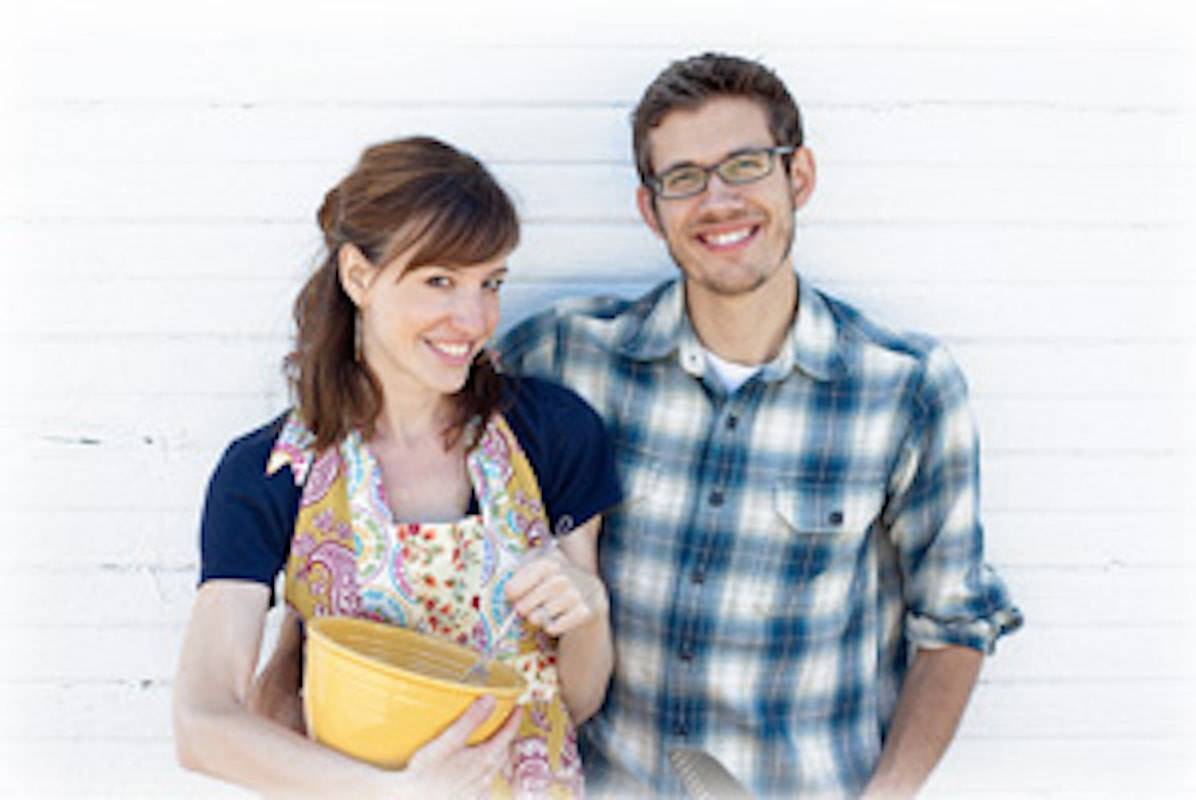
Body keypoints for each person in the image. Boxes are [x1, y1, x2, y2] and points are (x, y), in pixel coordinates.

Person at [498, 53, 1023, 798]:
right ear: (651, 210)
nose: (717, 200)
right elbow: (417, 412)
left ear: (798, 176)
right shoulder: (564, 355)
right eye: (683, 178)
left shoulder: (905, 388)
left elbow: (954, 627)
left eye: (745, 165)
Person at [173, 136, 621, 798]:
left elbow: (573, 702)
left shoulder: (551, 434)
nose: (472, 319)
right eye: (439, 280)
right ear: (359, 276)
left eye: (490, 283)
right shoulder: (269, 473)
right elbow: (202, 724)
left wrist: (589, 612)